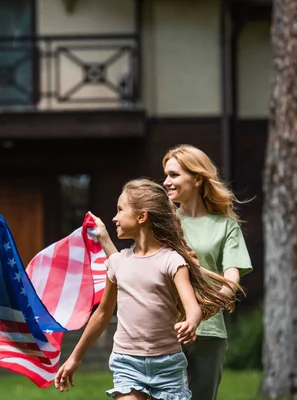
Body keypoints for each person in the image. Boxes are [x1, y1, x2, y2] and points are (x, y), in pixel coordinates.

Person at [54, 179, 242, 400]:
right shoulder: (117, 263)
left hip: (167, 366)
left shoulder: (172, 261)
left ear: (141, 217)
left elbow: (192, 307)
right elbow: (103, 313)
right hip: (126, 362)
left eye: (120, 210)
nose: (114, 217)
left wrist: (191, 322)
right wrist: (75, 357)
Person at [162, 144, 252, 400]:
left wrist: (202, 311)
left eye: (174, 175)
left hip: (208, 332)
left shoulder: (226, 226)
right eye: (166, 175)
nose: (166, 182)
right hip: (163, 328)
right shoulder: (163, 224)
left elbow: (231, 278)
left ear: (198, 179)